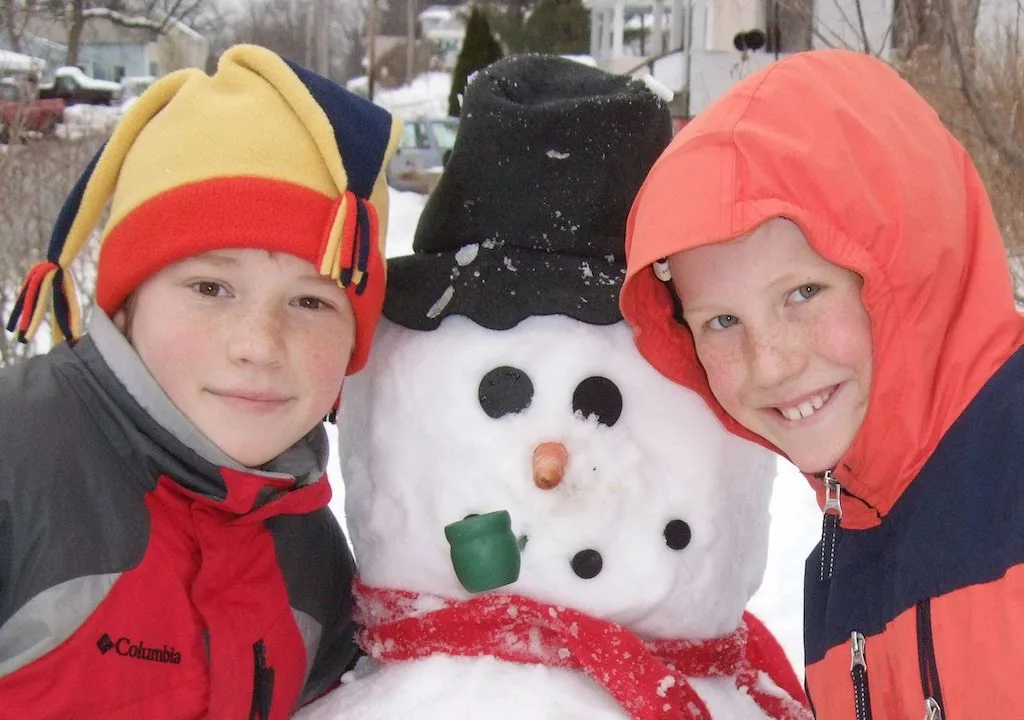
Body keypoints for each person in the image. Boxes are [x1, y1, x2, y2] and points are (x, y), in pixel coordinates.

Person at [620, 48, 1024, 719]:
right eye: (722, 320)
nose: (770, 362)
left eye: (805, 292)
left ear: (907, 260)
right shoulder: (848, 554)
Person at [0, 44, 401, 719]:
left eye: (311, 303)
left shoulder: (311, 557)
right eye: (211, 287)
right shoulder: (18, 465)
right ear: (126, 304)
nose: (258, 346)